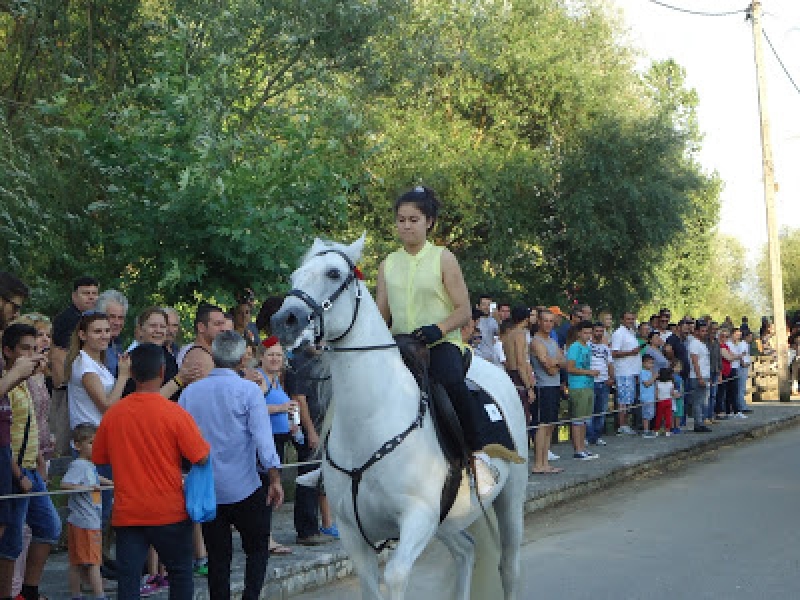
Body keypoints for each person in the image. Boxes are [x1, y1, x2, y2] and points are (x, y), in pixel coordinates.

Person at [375, 186, 504, 495]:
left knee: (450, 382)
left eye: (413, 219)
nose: (406, 225)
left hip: (439, 342)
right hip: (400, 345)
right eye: (401, 219)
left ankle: (477, 455)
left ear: (429, 222)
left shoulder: (443, 258)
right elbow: (381, 315)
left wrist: (440, 328)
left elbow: (463, 310)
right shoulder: (387, 264)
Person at [92, 343, 209, 599]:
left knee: (128, 580)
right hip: (169, 510)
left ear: (131, 374)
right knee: (180, 573)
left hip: (128, 512)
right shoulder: (175, 414)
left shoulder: (114, 416)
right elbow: (201, 457)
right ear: (162, 371)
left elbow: (99, 457)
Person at [179, 331, 283, 600]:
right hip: (245, 484)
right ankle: (250, 596)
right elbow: (263, 440)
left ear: (213, 356)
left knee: (218, 556)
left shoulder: (190, 393)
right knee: (257, 548)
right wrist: (275, 479)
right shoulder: (248, 390)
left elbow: (181, 438)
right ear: (242, 360)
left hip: (208, 485)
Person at [0, 324, 61, 600]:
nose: (32, 354)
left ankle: (29, 589)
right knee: (11, 539)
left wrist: (39, 461)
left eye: (35, 349)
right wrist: (18, 473)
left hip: (31, 466)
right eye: (25, 348)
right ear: (8, 351)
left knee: (49, 526)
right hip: (14, 468)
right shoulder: (8, 383)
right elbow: (5, 436)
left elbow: (32, 424)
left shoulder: (28, 382)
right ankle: (11, 593)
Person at [60, 423, 113, 600]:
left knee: (77, 562)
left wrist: (112, 483)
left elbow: (97, 478)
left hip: (82, 520)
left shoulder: (89, 465)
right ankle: (99, 595)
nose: (95, 447)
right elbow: (64, 485)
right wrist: (82, 487)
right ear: (77, 445)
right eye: (91, 443)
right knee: (93, 563)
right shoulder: (79, 465)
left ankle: (76, 594)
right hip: (86, 522)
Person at [530, 309, 565, 474]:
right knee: (542, 425)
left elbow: (564, 362)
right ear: (539, 321)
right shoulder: (536, 342)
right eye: (545, 320)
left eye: (551, 321)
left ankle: (545, 462)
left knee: (550, 425)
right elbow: (548, 369)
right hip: (543, 387)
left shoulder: (552, 341)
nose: (548, 324)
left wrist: (555, 362)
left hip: (554, 386)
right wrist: (556, 363)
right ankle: (538, 463)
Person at [566, 321, 599, 460]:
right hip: (578, 386)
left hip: (588, 385)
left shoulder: (588, 347)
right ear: (579, 333)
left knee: (585, 419)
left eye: (589, 333)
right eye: (585, 333)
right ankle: (578, 449)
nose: (588, 336)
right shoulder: (575, 347)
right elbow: (570, 368)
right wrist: (588, 372)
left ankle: (583, 448)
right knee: (578, 419)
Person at [501, 307, 535, 426]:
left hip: (510, 374)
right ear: (526, 318)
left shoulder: (508, 335)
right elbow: (521, 362)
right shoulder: (520, 334)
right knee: (524, 416)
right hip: (519, 376)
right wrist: (529, 387)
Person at [611, 311, 641, 435]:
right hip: (623, 371)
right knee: (623, 400)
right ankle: (621, 425)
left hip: (632, 371)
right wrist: (630, 352)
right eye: (628, 319)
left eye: (632, 319)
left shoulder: (631, 332)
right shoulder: (619, 333)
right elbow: (614, 353)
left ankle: (626, 424)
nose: (630, 321)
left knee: (629, 400)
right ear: (622, 320)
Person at [588, 322, 614, 447]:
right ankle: (588, 437)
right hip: (590, 382)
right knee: (589, 411)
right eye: (596, 331)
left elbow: (610, 364)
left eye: (601, 331)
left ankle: (597, 436)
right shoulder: (587, 346)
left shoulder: (606, 348)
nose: (598, 333)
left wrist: (611, 378)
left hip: (604, 382)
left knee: (601, 411)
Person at [94, 290, 128, 377]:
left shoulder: (117, 344)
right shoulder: (92, 348)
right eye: (112, 317)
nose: (117, 323)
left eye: (121, 318)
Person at [688, 320, 712, 433]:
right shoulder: (694, 344)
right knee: (698, 402)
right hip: (697, 376)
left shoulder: (702, 344)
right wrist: (699, 377)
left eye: (706, 331)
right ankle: (698, 423)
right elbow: (695, 362)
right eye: (702, 331)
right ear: (696, 331)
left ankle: (701, 421)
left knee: (702, 401)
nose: (704, 333)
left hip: (705, 375)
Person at [473, 295, 499, 363]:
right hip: (476, 357)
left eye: (489, 305)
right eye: (484, 304)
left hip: (490, 358)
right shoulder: (473, 320)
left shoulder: (493, 320)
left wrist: (498, 320)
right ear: (477, 306)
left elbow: (501, 335)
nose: (487, 307)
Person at [639, 354, 657, 438]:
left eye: (652, 363)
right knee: (646, 414)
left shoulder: (650, 372)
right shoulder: (642, 372)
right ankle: (645, 431)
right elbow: (646, 384)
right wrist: (654, 377)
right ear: (643, 363)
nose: (651, 365)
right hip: (646, 397)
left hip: (651, 397)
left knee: (650, 414)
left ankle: (648, 429)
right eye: (649, 363)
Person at [671, 360, 685, 434]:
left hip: (680, 397)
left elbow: (682, 388)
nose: (677, 369)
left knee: (679, 413)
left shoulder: (680, 377)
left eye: (679, 367)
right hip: (674, 396)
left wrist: (681, 394)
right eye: (675, 367)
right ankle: (672, 427)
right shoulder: (671, 377)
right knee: (673, 412)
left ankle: (677, 426)